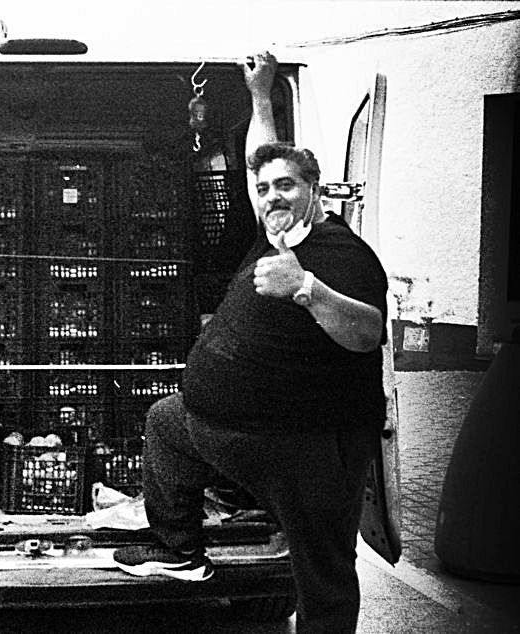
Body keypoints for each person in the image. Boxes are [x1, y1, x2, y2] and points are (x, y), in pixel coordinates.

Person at [113, 51, 389, 633]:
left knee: (323, 570)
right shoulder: (271, 228)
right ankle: (178, 551)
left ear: (316, 190)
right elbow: (254, 161)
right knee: (167, 422)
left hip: (306, 445)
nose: (271, 196)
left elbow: (368, 333)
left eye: (286, 186)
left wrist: (308, 288)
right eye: (264, 189)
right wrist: (261, 96)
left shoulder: (342, 254)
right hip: (232, 429)